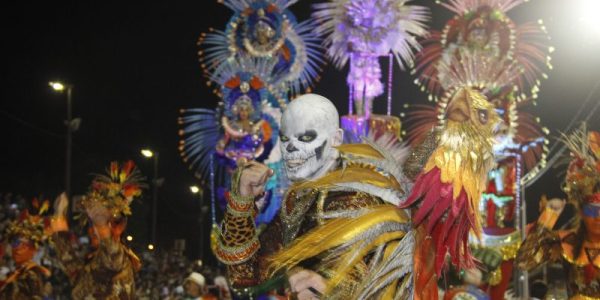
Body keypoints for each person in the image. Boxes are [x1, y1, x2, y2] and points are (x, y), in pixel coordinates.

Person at [214, 93, 416, 299]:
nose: (290, 147)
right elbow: (245, 275)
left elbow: (391, 282)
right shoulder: (297, 201)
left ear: (335, 139)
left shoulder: (364, 195)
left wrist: (334, 289)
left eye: (306, 137)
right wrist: (241, 201)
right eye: (285, 138)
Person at [517, 125, 600, 299]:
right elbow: (524, 261)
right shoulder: (565, 240)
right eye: (592, 210)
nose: (598, 217)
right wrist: (548, 216)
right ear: (581, 212)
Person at [50, 161, 144, 299]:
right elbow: (71, 266)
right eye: (91, 225)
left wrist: (102, 227)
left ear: (119, 227)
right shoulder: (94, 261)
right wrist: (59, 223)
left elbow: (111, 252)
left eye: (99, 225)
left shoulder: (119, 259)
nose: (93, 231)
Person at [0, 199, 51, 300]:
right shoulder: (15, 273)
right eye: (15, 242)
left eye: (24, 244)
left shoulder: (30, 274)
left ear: (33, 249)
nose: (18, 248)